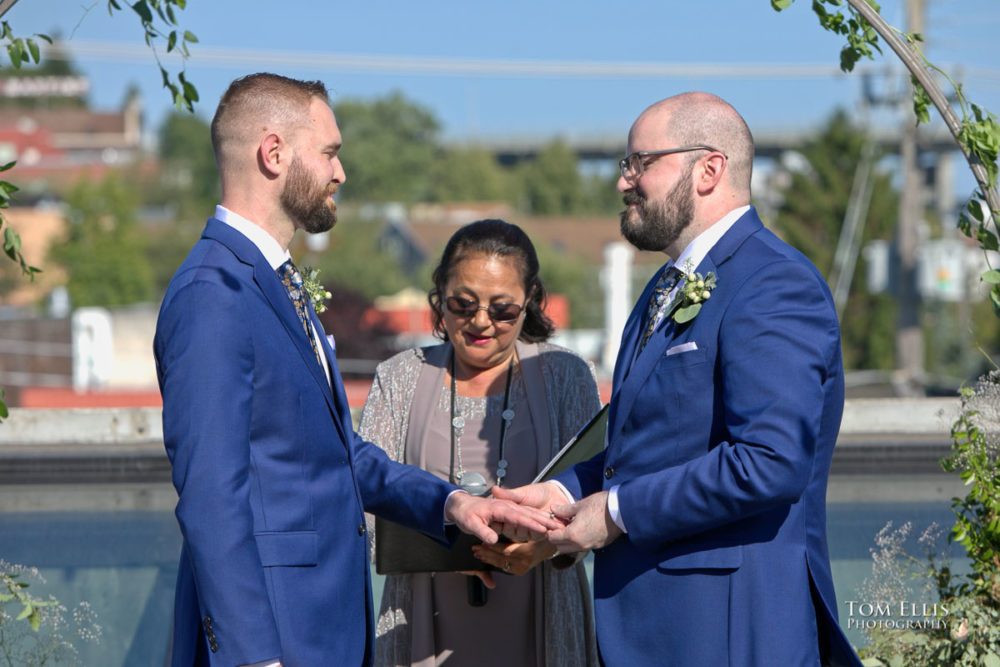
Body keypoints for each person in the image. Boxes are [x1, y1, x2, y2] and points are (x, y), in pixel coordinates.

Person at [153, 73, 556, 667]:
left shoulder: (271, 284)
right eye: (330, 153)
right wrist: (253, 658)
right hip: (275, 637)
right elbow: (212, 497)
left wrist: (451, 506)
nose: (340, 172)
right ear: (273, 154)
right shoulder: (213, 293)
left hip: (323, 628)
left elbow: (340, 458)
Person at [494, 92, 864, 667]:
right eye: (626, 164)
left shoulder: (773, 284)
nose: (623, 181)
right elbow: (647, 444)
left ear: (709, 169)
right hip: (657, 628)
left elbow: (769, 462)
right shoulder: (663, 288)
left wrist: (615, 514)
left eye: (640, 162)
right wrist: (566, 492)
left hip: (727, 628)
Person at [360, 219, 600, 667]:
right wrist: (450, 547)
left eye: (503, 309)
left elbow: (595, 493)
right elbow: (364, 506)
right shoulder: (397, 377)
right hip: (419, 623)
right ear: (439, 294)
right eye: (463, 304)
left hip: (543, 616)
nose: (480, 322)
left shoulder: (568, 375)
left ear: (530, 300)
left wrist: (544, 546)